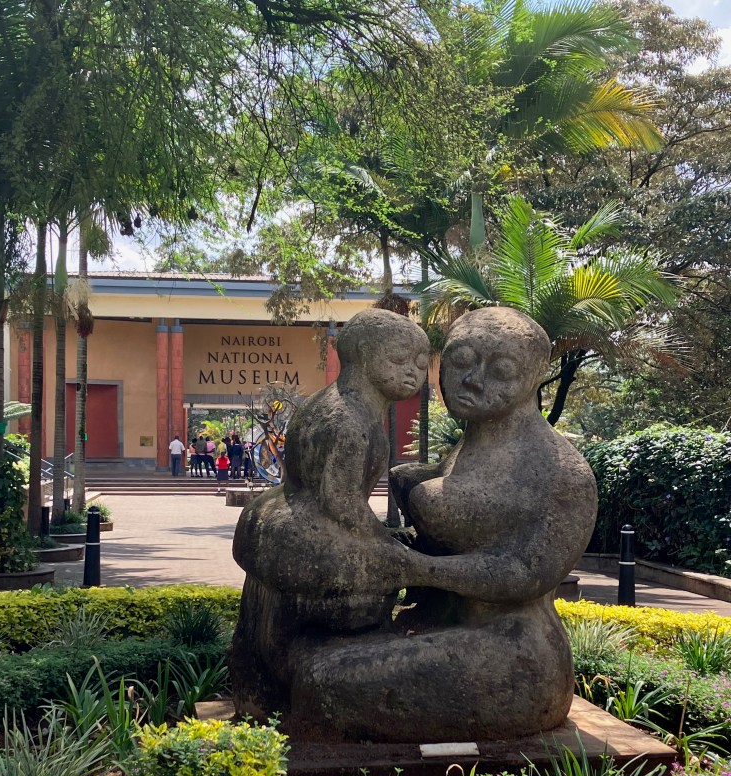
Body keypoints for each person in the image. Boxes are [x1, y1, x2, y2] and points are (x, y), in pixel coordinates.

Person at [286, 307, 599, 742]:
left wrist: (416, 568)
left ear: (534, 376)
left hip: (513, 653)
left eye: (501, 370)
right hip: (443, 624)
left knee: (322, 679)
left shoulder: (560, 472)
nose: (472, 380)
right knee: (303, 653)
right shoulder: (464, 450)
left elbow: (526, 572)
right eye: (460, 361)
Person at [231, 308, 431, 715]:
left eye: (420, 364)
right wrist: (386, 544)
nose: (412, 373)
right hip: (308, 533)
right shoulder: (351, 420)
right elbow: (340, 501)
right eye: (398, 360)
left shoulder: (330, 403)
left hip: (280, 518)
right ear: (359, 355)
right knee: (400, 569)